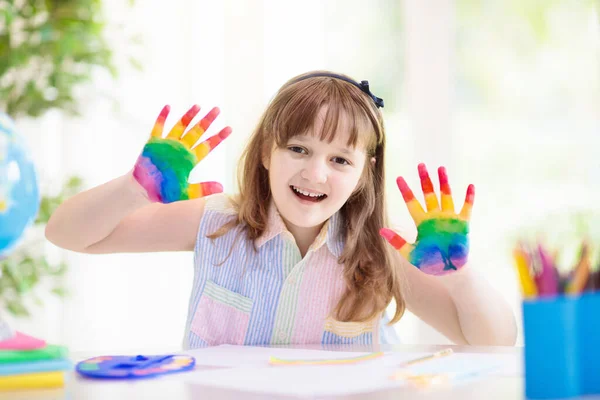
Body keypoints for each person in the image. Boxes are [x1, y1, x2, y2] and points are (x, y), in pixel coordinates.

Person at [45, 71, 517, 348]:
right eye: (298, 149)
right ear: (267, 152)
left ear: (363, 174)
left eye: (339, 160)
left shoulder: (385, 250)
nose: (315, 174)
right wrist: (134, 189)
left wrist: (461, 277)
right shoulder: (217, 219)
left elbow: (491, 343)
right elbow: (65, 234)